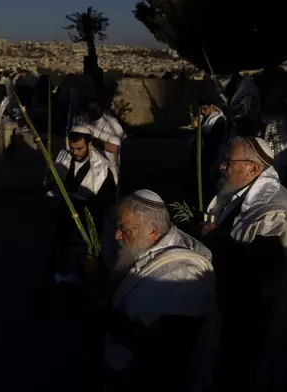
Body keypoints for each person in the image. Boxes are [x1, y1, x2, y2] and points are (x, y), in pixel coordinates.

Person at [200, 136, 287, 391]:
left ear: (253, 169)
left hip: (249, 313)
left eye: (228, 162)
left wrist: (215, 239)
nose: (222, 166)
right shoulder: (242, 190)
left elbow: (260, 265)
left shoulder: (272, 209)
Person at [104, 190, 218, 392]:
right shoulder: (155, 241)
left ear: (152, 231)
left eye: (124, 229)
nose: (117, 235)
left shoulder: (182, 275)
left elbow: (156, 347)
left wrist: (91, 309)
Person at [46, 126, 118, 283]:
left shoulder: (103, 169)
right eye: (73, 149)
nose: (75, 153)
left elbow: (107, 200)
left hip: (89, 218)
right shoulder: (65, 157)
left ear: (89, 144)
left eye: (79, 148)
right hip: (65, 213)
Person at [199, 96, 228, 203]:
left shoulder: (219, 120)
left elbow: (216, 141)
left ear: (212, 106)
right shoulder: (207, 118)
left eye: (205, 109)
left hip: (214, 157)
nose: (202, 112)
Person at [84, 99, 126, 174]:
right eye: (89, 108)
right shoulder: (85, 121)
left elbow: (115, 148)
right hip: (93, 169)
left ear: (100, 108)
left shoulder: (111, 123)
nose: (91, 111)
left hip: (110, 171)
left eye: (94, 108)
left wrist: (92, 140)